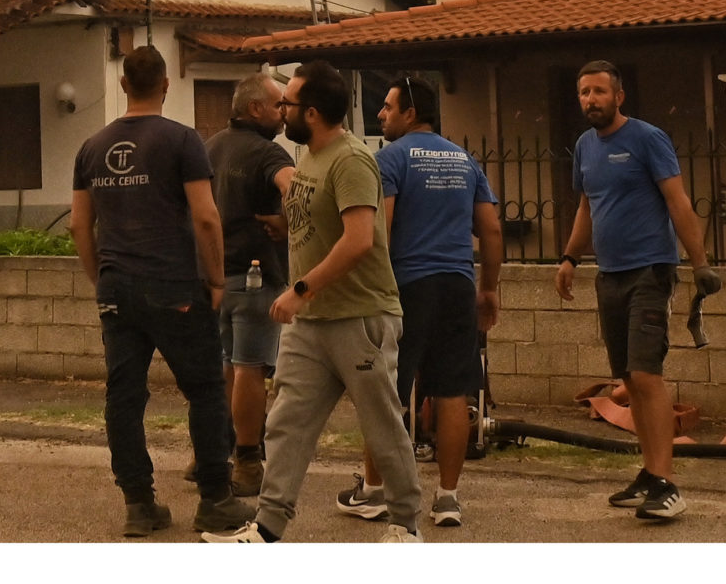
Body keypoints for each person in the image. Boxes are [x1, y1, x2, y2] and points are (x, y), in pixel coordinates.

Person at [201, 59, 425, 543]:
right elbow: (317, 222)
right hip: (313, 322)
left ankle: (406, 526)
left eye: (289, 103)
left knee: (381, 424)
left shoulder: (351, 160)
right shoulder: (307, 158)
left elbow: (360, 238)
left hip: (357, 317)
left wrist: (300, 290)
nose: (281, 111)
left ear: (314, 113)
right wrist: (287, 228)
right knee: (285, 422)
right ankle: (268, 526)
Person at [71, 45, 255, 538]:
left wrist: (100, 279)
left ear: (125, 84)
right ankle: (215, 498)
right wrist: (216, 279)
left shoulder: (91, 147)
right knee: (205, 390)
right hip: (174, 284)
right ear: (167, 84)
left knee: (124, 396)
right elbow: (205, 215)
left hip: (117, 287)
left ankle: (138, 504)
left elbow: (78, 224)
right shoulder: (182, 140)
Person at [553, 60, 722, 523]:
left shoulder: (648, 138)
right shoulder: (585, 147)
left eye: (599, 92)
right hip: (609, 275)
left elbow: (678, 201)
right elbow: (587, 205)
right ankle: (649, 475)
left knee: (646, 375)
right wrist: (569, 257)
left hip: (651, 270)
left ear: (619, 96)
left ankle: (667, 484)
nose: (591, 100)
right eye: (584, 92)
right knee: (628, 378)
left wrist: (700, 262)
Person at [335, 75, 502, 529]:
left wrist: (366, 290)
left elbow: (378, 232)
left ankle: (373, 490)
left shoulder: (389, 159)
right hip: (456, 285)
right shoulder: (465, 161)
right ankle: (447, 498)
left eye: (388, 108)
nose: (382, 115)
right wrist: (487, 288)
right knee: (452, 392)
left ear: (411, 113)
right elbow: (490, 229)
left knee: (385, 391)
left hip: (406, 286)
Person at [203, 69, 294, 496]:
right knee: (250, 370)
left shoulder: (210, 148)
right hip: (257, 279)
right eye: (278, 105)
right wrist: (291, 220)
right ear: (255, 108)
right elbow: (292, 188)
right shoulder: (268, 154)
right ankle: (247, 461)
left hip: (214, 277)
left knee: (226, 366)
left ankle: (210, 452)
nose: (283, 114)